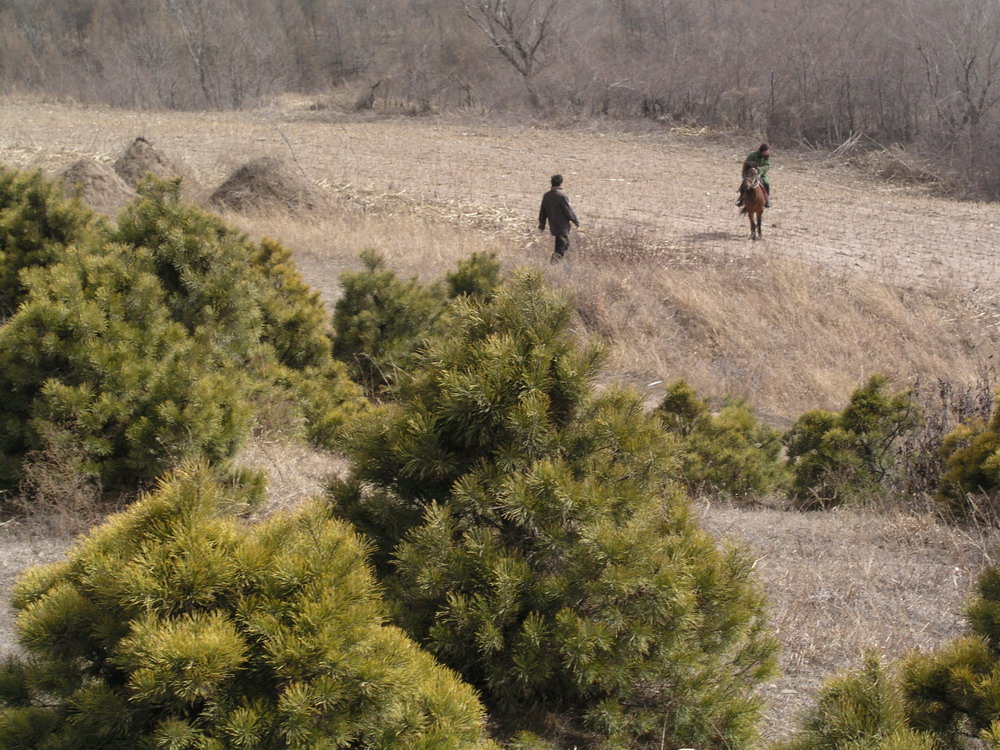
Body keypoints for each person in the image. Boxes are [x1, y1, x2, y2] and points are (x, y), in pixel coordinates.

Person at [538, 174, 580, 261]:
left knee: (564, 244)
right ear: (561, 183)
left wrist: (542, 224)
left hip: (553, 224)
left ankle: (555, 262)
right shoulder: (561, 196)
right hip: (562, 226)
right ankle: (554, 264)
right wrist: (575, 221)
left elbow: (542, 211)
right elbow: (568, 210)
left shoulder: (547, 195)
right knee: (562, 246)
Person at [736, 143, 772, 208]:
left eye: (767, 152)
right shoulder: (753, 155)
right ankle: (741, 199)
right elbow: (747, 162)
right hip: (751, 173)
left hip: (762, 174)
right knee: (745, 183)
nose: (767, 154)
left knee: (766, 183)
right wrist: (753, 166)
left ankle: (766, 199)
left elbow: (767, 165)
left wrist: (760, 169)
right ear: (762, 151)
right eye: (765, 152)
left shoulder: (767, 157)